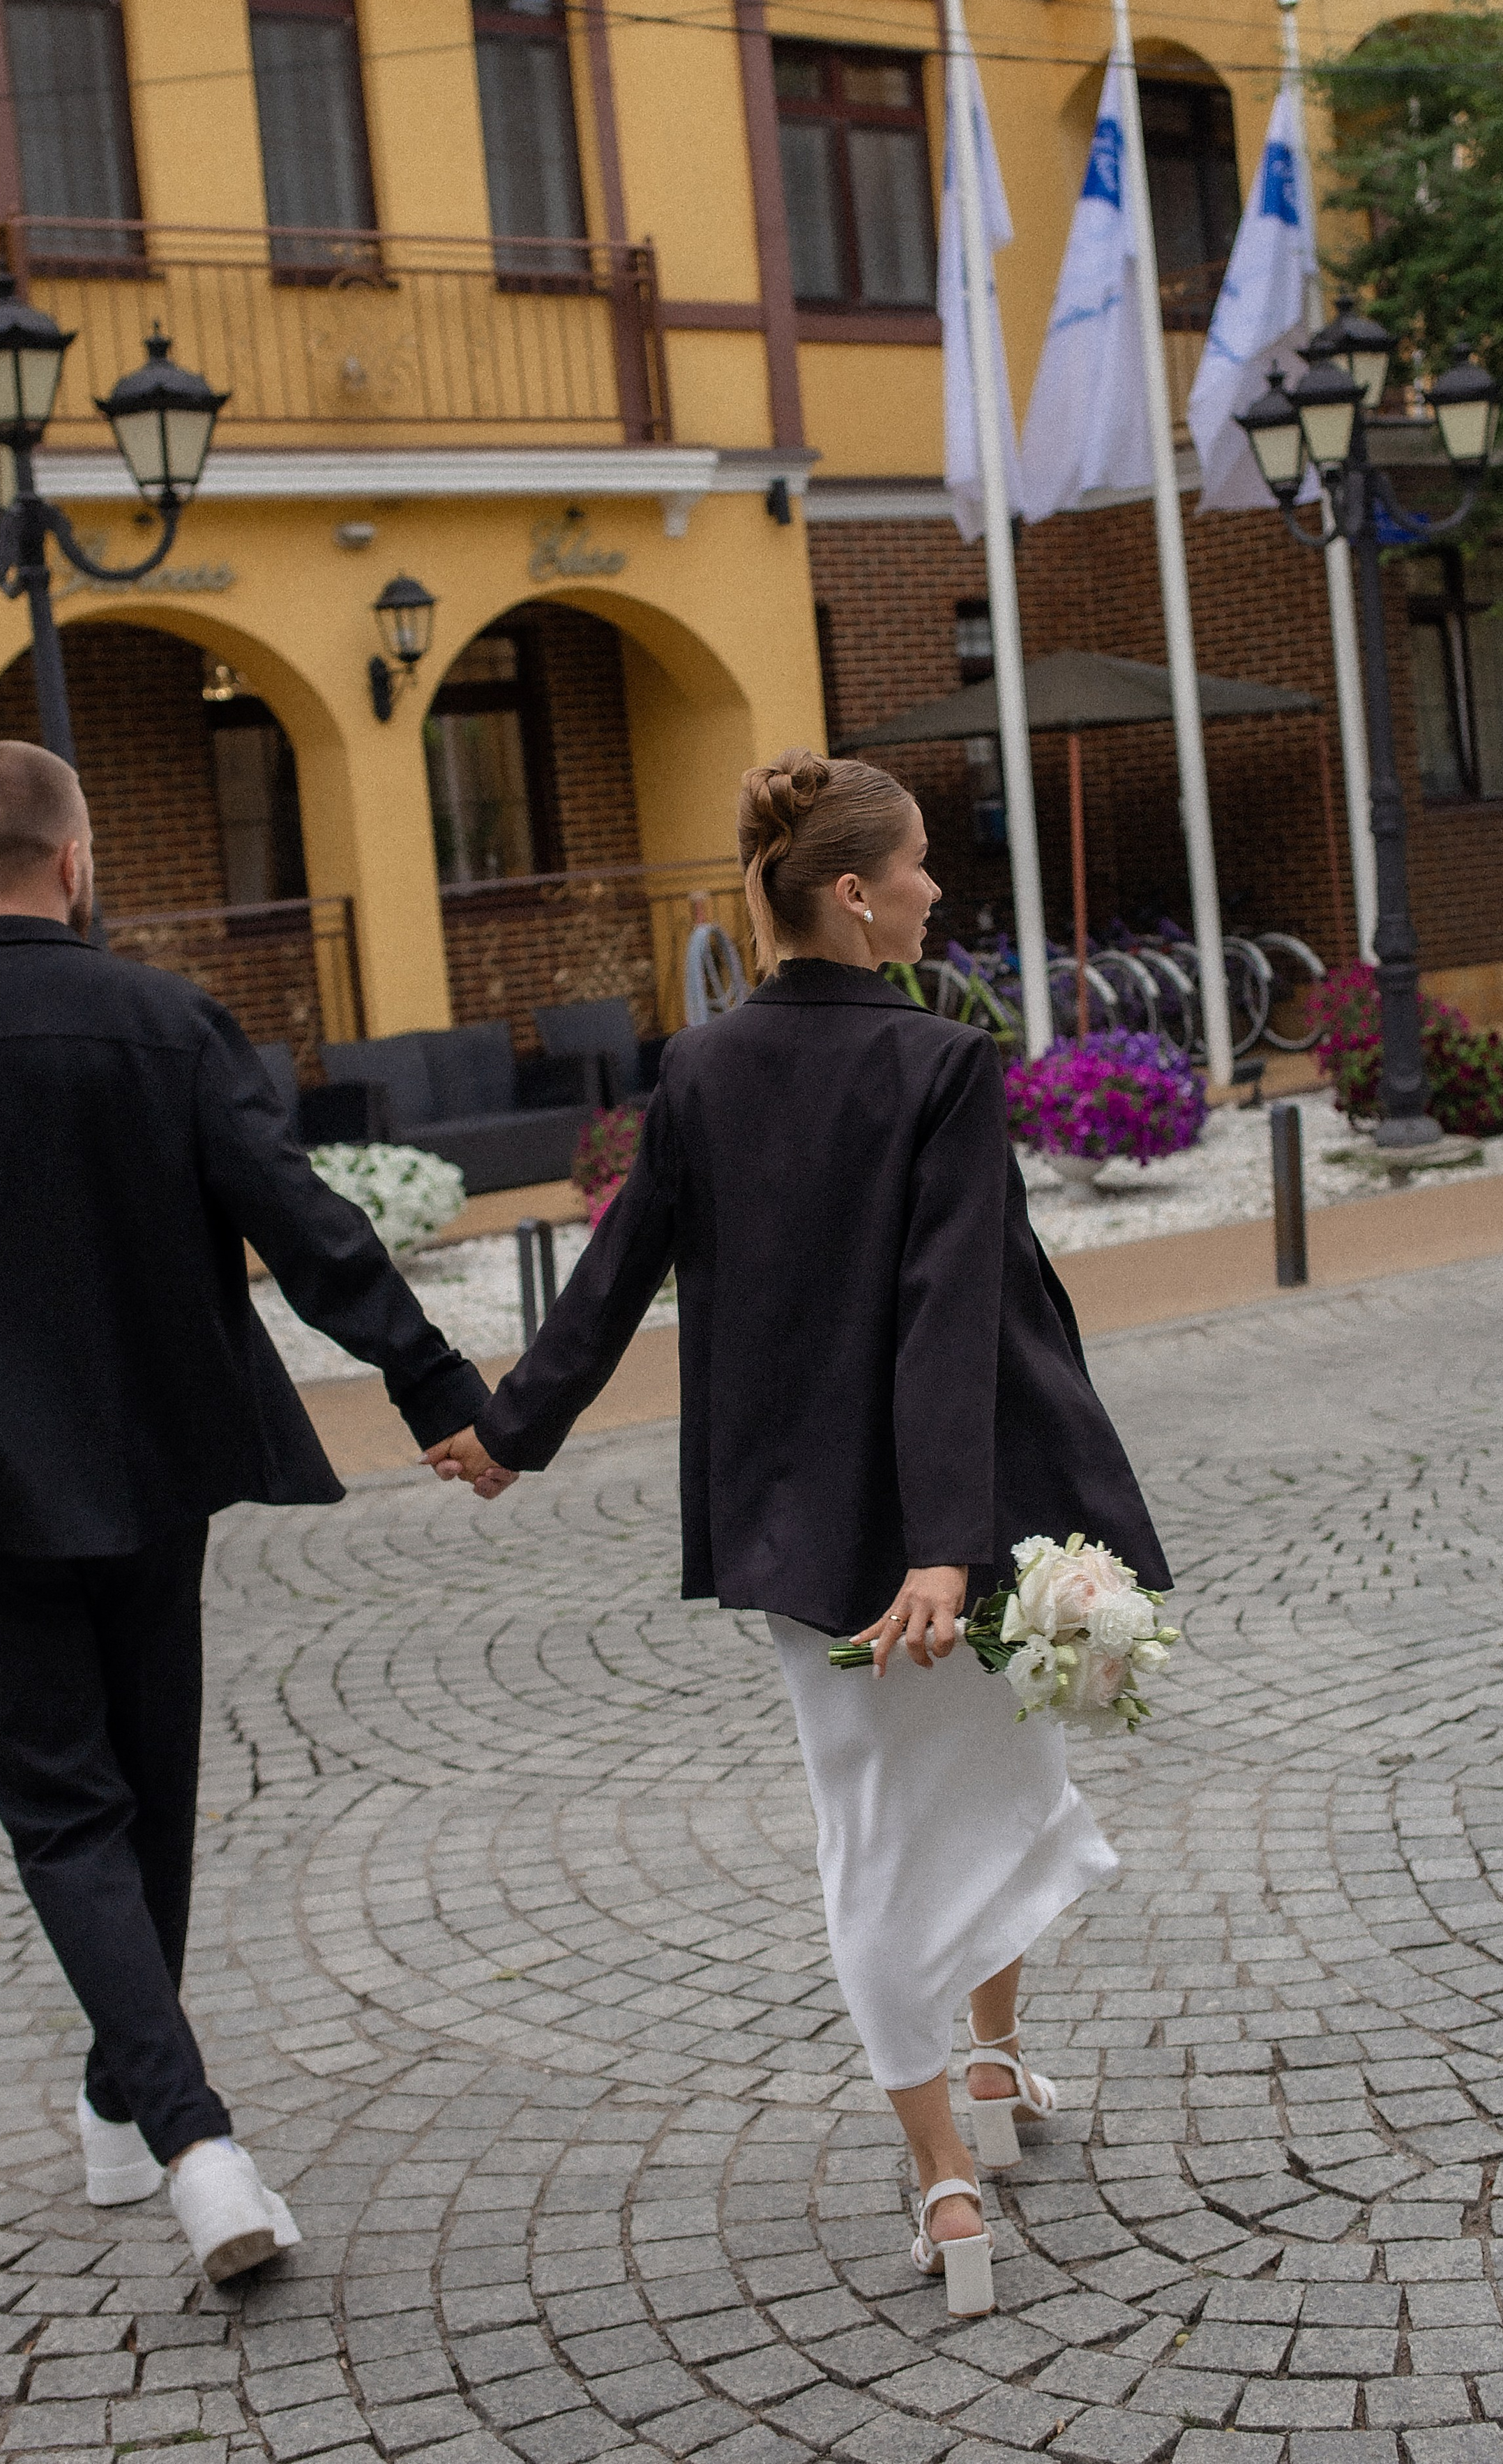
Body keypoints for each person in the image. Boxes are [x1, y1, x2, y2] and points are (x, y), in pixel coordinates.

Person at [427, 749, 1170, 2318]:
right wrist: (946, 1551)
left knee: (897, 1821)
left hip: (796, 1529)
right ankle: (951, 2161)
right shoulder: (939, 1065)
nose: (931, 890)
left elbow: (615, 1268)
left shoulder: (697, 1066)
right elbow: (942, 1320)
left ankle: (971, 2105)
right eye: (912, 869)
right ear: (849, 893)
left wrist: (514, 1429)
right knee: (964, 1805)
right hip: (948, 1529)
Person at [0, 741, 491, 2286]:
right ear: (76, 859)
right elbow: (296, 1214)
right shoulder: (162, 1019)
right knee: (138, 1787)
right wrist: (431, 1382)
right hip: (151, 1458)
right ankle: (185, 2135)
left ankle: (144, 2116)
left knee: (69, 1807)